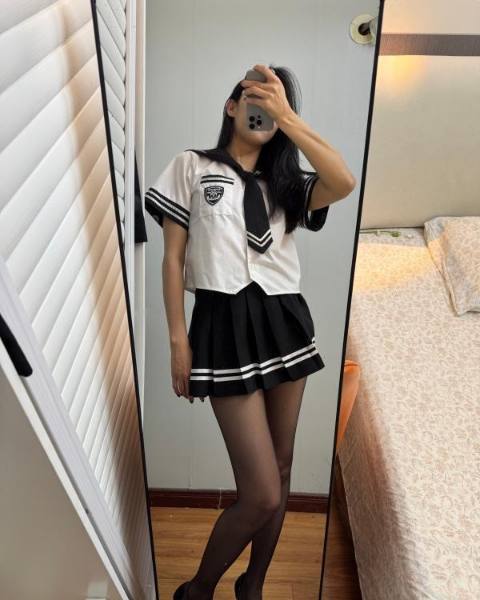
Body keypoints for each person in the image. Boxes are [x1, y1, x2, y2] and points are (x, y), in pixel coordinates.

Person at [145, 64, 355, 600]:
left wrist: (289, 118)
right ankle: (197, 589)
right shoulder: (192, 166)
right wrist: (178, 341)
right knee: (260, 492)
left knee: (280, 470)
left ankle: (252, 586)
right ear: (232, 107)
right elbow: (172, 259)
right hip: (222, 324)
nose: (262, 110)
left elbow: (343, 181)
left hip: (284, 322)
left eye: (273, 105)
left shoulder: (287, 185)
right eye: (253, 98)